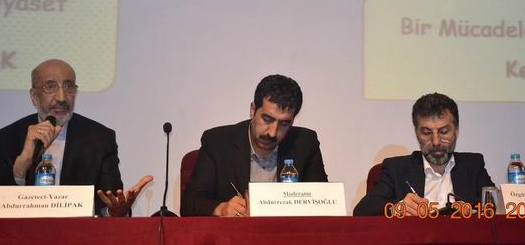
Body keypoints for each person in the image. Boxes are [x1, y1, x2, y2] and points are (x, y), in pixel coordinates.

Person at [0, 59, 152, 216]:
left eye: (69, 87)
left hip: (79, 233)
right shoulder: (5, 139)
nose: (62, 97)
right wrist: (20, 170)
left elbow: (109, 202)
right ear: (34, 97)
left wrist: (114, 211)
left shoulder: (100, 139)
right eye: (50, 86)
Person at [181, 74, 328, 217]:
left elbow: (325, 204)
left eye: (284, 123)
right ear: (252, 110)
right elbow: (190, 204)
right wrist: (221, 209)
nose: (272, 133)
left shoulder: (305, 144)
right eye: (267, 119)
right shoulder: (218, 142)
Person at [354, 92, 494, 216]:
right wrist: (397, 208)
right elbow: (362, 210)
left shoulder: (473, 165)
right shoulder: (396, 169)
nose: (436, 141)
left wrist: (472, 210)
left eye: (444, 132)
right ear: (417, 133)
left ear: (456, 131)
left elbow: (494, 205)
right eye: (427, 133)